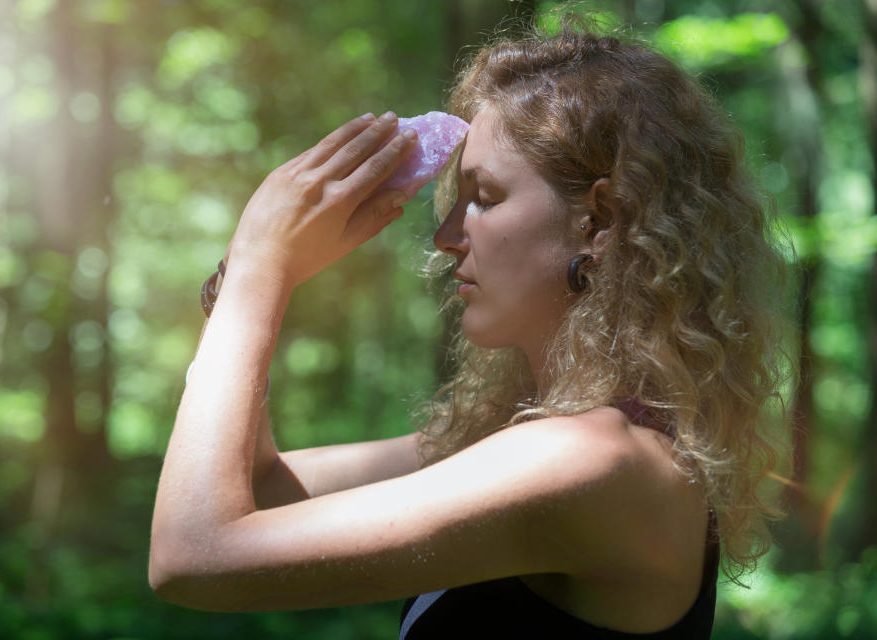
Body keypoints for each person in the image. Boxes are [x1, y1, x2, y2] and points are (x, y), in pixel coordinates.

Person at [149, 15, 789, 638]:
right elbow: (258, 490)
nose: (446, 235)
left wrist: (261, 267)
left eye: (482, 197)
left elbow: (194, 555)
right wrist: (241, 275)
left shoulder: (593, 461)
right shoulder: (529, 441)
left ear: (598, 218)